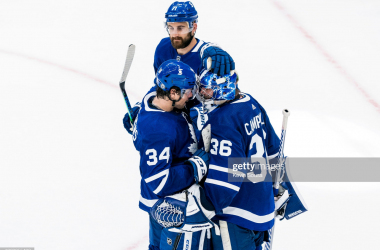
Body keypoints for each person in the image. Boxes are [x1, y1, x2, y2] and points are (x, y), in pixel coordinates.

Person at [196, 69, 282, 250]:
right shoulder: (250, 102)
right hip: (262, 206)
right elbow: (274, 150)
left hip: (235, 213)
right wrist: (279, 186)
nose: (203, 93)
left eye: (209, 89)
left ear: (225, 88)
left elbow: (227, 176)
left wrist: (201, 210)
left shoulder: (222, 119)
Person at [124, 1, 235, 134]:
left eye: (180, 28)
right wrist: (144, 106)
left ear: (193, 27)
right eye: (171, 27)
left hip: (200, 127)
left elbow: (221, 102)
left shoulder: (208, 58)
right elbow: (162, 87)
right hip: (173, 120)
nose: (175, 34)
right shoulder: (163, 49)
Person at [133, 60, 210, 250]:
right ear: (173, 93)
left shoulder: (155, 95)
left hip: (172, 200)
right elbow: (158, 180)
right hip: (171, 206)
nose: (191, 95)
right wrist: (195, 166)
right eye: (187, 91)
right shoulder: (158, 130)